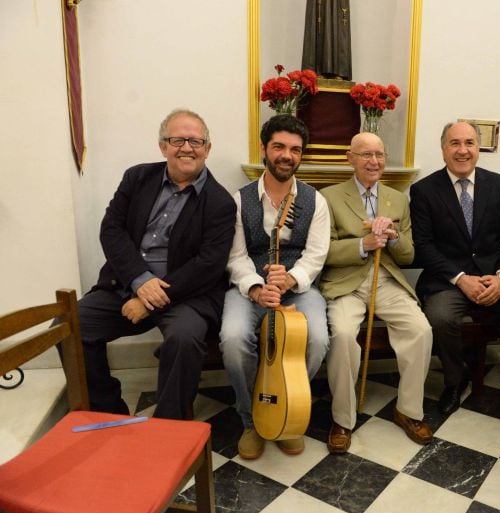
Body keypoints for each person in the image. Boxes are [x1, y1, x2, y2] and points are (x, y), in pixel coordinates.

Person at [75, 108, 236, 420]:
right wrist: (140, 281)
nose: (187, 148)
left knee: (185, 339)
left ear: (207, 149)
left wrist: (151, 299)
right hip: (126, 284)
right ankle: (107, 411)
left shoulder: (221, 203)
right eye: (177, 140)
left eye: (196, 141)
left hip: (187, 295)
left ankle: (168, 426)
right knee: (71, 326)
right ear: (163, 146)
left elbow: (208, 265)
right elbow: (111, 230)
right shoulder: (137, 178)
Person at [410, 121, 500, 439]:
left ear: (478, 149)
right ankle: (456, 380)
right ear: (443, 149)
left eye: (469, 142)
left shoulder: (499, 184)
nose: (463, 150)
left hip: (496, 274)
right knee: (439, 317)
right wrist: (460, 278)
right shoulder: (424, 190)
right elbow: (424, 246)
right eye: (455, 143)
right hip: (448, 279)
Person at [219, 114, 330, 459]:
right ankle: (251, 419)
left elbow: (315, 256)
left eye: (295, 149)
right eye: (279, 146)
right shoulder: (239, 200)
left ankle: (287, 409)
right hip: (249, 288)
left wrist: (291, 280)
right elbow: (235, 257)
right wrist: (255, 288)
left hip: (297, 287)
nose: (287, 155)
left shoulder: (316, 201)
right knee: (234, 339)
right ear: (264, 149)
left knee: (317, 339)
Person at [319, 132, 433, 453]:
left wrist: (394, 238)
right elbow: (322, 252)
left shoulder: (397, 199)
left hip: (386, 278)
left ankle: (408, 411)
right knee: (342, 335)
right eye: (366, 154)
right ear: (350, 158)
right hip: (347, 283)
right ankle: (342, 419)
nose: (374, 161)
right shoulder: (328, 197)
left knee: (420, 329)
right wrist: (362, 244)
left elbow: (409, 255)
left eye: (379, 155)